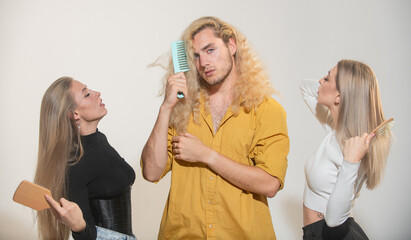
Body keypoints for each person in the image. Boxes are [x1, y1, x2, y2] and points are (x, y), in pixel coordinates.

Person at [141, 16, 289, 239]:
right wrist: (166, 107)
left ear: (231, 45)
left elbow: (269, 184)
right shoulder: (181, 109)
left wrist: (206, 155)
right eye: (196, 56)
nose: (204, 63)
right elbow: (151, 172)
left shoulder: (267, 110)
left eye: (210, 50)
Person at [34, 77, 136, 240]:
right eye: (87, 94)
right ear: (74, 113)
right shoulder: (75, 164)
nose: (97, 93)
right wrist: (78, 226)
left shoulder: (99, 139)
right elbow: (86, 235)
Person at [300, 60, 392, 239]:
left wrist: (351, 162)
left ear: (339, 96)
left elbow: (334, 220)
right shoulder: (334, 128)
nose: (320, 81)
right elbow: (304, 87)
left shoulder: (354, 147)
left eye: (326, 78)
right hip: (314, 234)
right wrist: (346, 89)